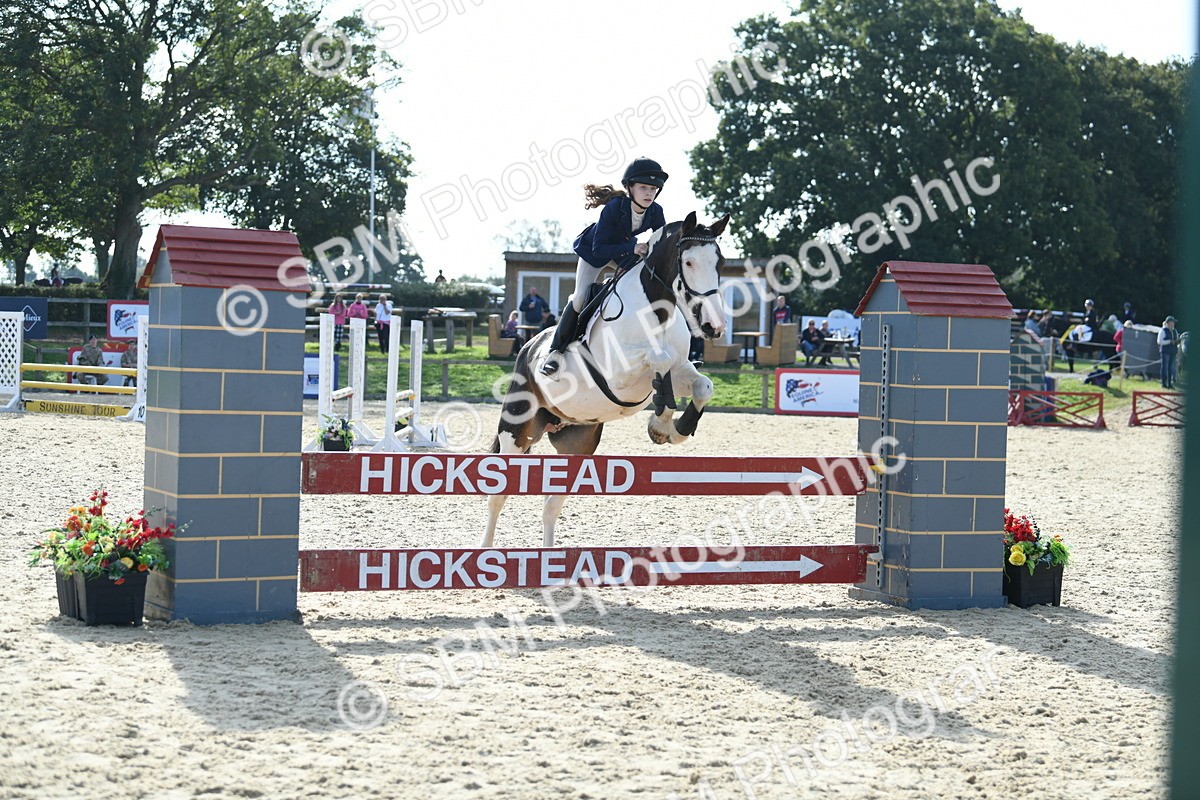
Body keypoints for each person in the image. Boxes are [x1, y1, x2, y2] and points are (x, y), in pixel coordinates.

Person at [541, 157, 668, 377]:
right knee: (580, 297)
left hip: (624, 253)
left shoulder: (656, 211)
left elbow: (662, 240)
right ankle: (555, 353)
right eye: (644, 188)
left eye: (653, 189)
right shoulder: (613, 208)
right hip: (595, 252)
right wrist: (632, 247)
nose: (649, 193)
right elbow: (601, 249)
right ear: (630, 187)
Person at [1158, 315, 1179, 389]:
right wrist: (1170, 341)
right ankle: (1164, 383)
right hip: (1165, 351)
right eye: (1172, 322)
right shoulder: (1163, 330)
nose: (1173, 324)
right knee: (1165, 367)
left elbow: (1176, 339)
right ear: (1168, 323)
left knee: (1171, 368)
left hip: (1173, 351)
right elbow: (1159, 341)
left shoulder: (1175, 331)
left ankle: (1170, 383)